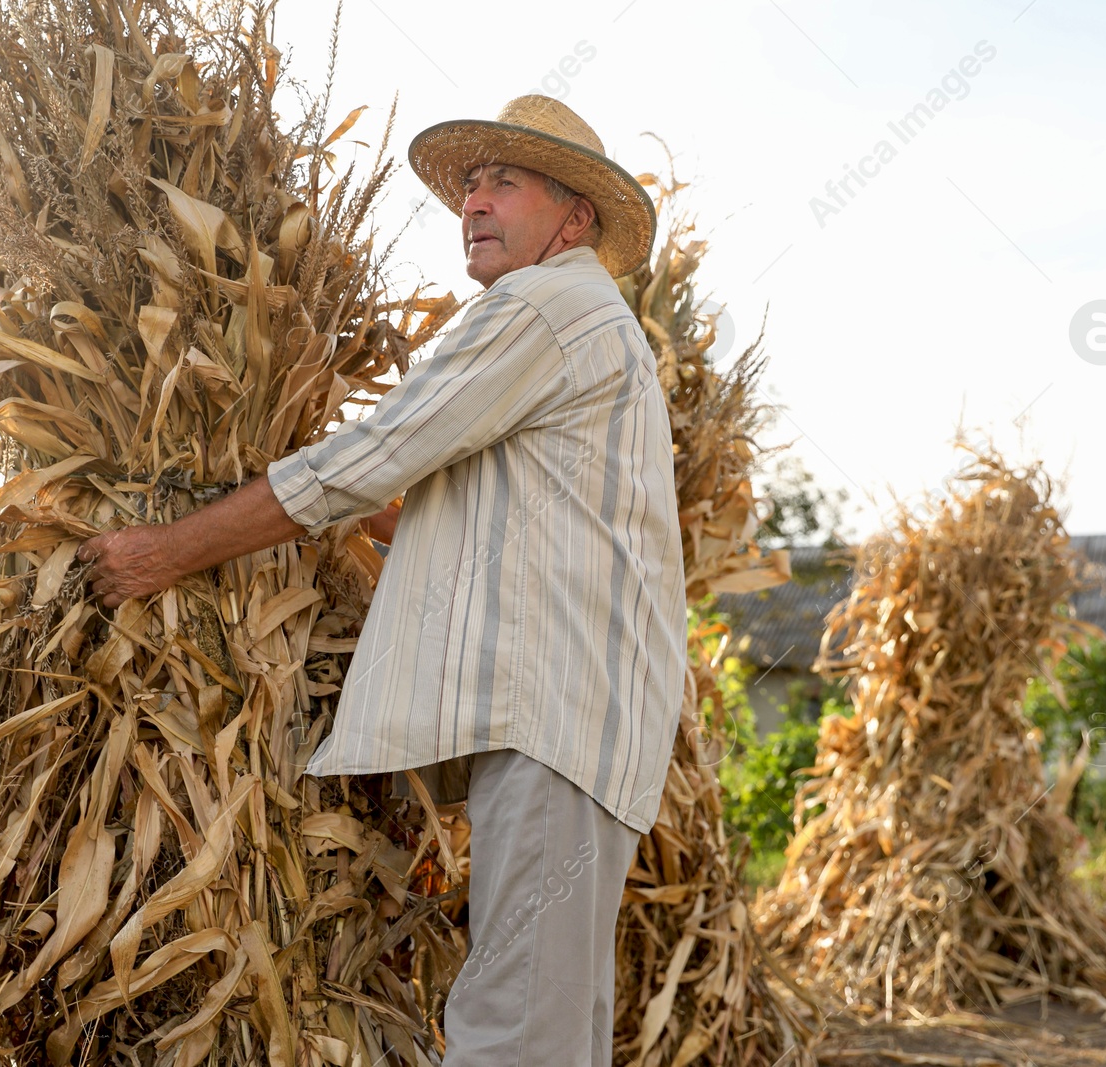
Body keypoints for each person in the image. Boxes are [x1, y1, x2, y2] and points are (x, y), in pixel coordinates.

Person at [77, 94, 686, 1067]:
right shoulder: (589, 323)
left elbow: (370, 457)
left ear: (575, 218)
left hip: (556, 726)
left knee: (511, 1036)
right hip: (583, 727)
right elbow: (479, 508)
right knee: (552, 1032)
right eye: (470, 184)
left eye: (507, 182)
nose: (475, 204)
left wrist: (169, 549)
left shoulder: (543, 306)